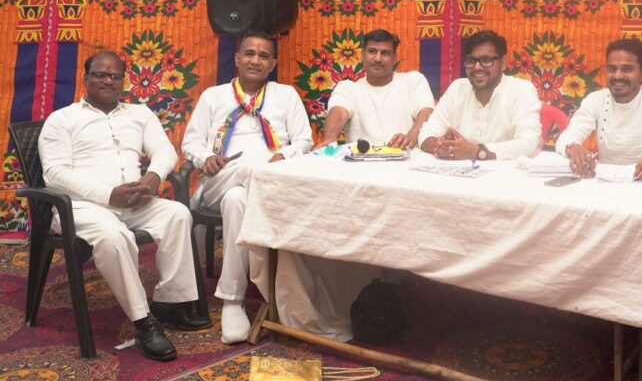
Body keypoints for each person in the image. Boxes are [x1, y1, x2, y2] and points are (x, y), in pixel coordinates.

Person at [38, 51, 210, 361]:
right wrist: (108, 195)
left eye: (115, 76)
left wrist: (152, 179)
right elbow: (54, 174)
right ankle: (144, 323)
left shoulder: (139, 114)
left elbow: (164, 150)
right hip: (80, 207)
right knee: (114, 235)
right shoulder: (62, 119)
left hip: (133, 202)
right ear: (85, 78)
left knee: (177, 214)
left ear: (123, 81)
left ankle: (169, 303)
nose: (108, 80)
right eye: (100, 75)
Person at [181, 32, 312, 344]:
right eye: (249, 54)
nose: (256, 60)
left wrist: (284, 155)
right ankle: (283, 281)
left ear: (273, 63)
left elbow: (305, 140)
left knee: (238, 200)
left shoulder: (286, 95)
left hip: (265, 183)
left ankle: (232, 301)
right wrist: (206, 157)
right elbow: (190, 143)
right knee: (248, 171)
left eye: (264, 56)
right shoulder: (213, 96)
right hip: (221, 178)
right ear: (237, 58)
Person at [555, 39, 642, 179]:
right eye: (612, 69)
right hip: (604, 182)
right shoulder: (596, 100)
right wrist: (573, 148)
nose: (618, 76)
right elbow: (566, 138)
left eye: (627, 69)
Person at [420, 30, 541, 160]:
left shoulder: (521, 90)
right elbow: (426, 133)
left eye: (486, 60)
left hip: (506, 171)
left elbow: (530, 144)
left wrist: (477, 152)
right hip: (458, 171)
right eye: (471, 61)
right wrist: (439, 146)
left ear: (503, 63)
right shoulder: (457, 89)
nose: (477, 67)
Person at [316, 29, 434, 149]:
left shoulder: (413, 81)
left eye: (385, 53)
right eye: (372, 51)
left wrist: (411, 137)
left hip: (407, 157)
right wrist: (330, 139)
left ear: (394, 58)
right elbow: (338, 112)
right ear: (362, 55)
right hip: (361, 159)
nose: (378, 58)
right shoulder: (347, 88)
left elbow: (426, 111)